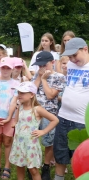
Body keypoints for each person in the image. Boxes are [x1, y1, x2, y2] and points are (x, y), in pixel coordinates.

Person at [54, 37, 89, 180]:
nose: (72, 59)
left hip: (81, 121)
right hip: (63, 117)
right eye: (70, 56)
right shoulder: (70, 64)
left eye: (75, 55)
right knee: (60, 152)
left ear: (85, 49)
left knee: (81, 157)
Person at [9, 81, 59, 180]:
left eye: (22, 93)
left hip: (31, 144)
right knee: (19, 166)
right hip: (19, 143)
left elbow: (55, 120)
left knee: (33, 170)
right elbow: (17, 119)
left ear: (31, 94)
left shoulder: (37, 109)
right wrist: (15, 123)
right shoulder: (20, 106)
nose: (19, 95)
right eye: (19, 93)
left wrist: (43, 131)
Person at [31, 51, 66, 180]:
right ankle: (32, 165)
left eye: (43, 65)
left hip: (49, 113)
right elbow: (31, 91)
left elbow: (51, 95)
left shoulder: (59, 77)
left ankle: (46, 166)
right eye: (39, 66)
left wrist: (44, 80)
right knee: (32, 137)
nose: (41, 68)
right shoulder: (37, 75)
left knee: (48, 141)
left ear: (52, 62)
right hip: (34, 111)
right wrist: (39, 77)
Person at [0, 57, 20, 179]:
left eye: (8, 68)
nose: (5, 70)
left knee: (8, 142)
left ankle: (7, 165)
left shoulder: (16, 84)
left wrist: (9, 117)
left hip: (10, 117)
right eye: (3, 67)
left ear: (12, 69)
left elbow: (14, 101)